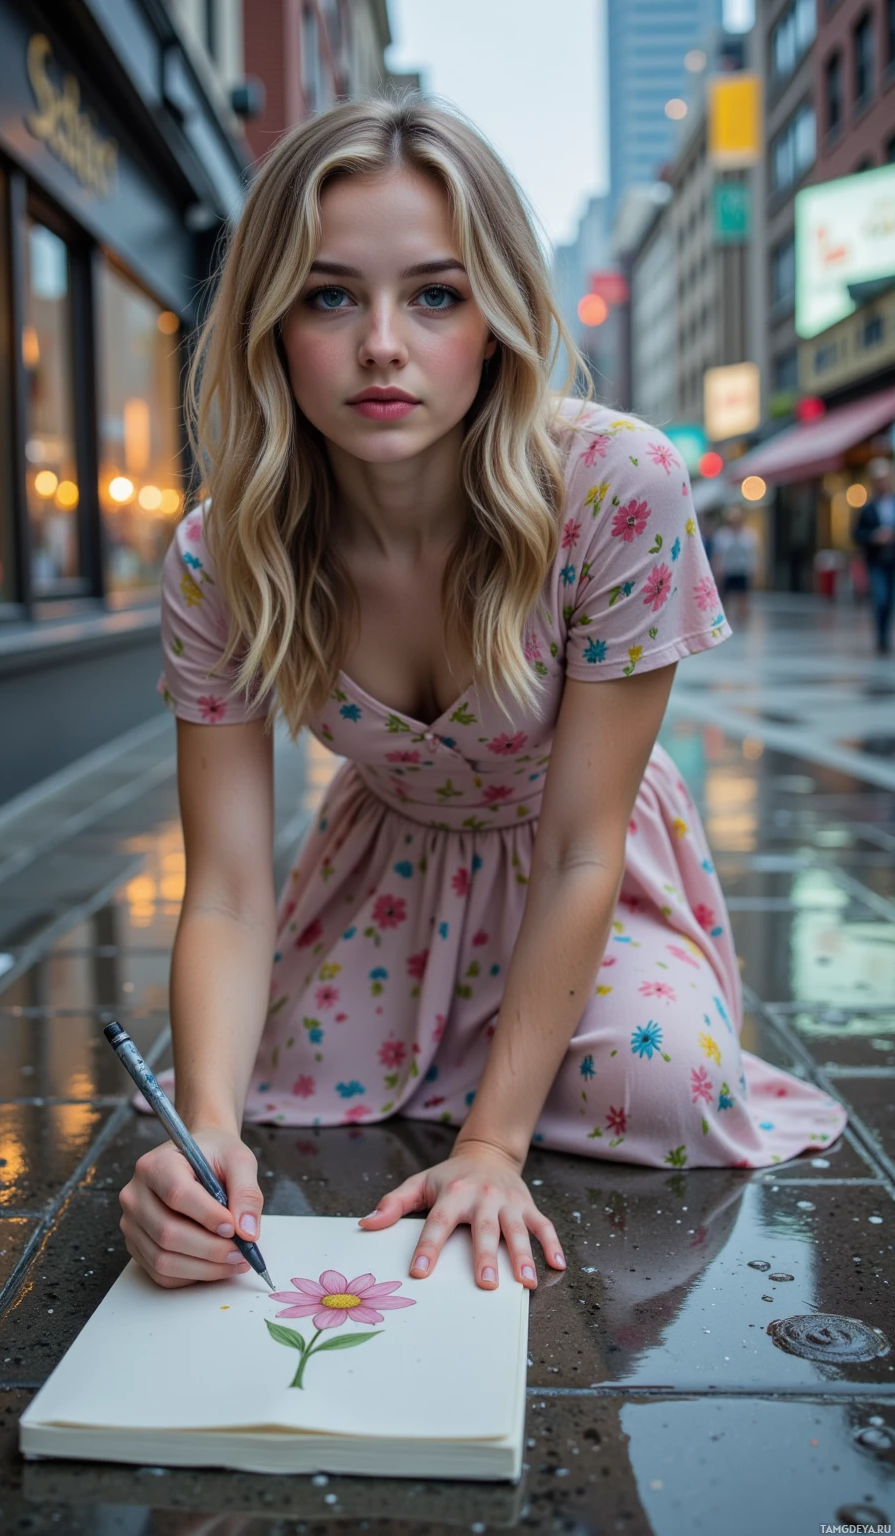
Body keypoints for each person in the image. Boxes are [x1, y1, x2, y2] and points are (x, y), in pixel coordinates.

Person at [118, 98, 845, 1298]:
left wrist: (494, 1148)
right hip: (383, 873)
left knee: (653, 1090)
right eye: (330, 294)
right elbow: (234, 890)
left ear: (498, 314)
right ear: (268, 321)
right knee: (270, 1090)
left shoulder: (616, 484)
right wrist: (202, 1144)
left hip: (580, 865)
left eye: (436, 295)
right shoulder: (223, 552)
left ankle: (519, 1080)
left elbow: (578, 847)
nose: (384, 345)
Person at [852, 457, 895, 655]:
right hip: (877, 560)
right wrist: (873, 536)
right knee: (881, 598)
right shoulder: (867, 508)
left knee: (890, 599)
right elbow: (857, 533)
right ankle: (881, 637)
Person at [711, 506, 758, 624]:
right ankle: (724, 618)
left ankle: (742, 618)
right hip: (727, 570)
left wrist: (753, 571)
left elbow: (752, 555)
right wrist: (717, 570)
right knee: (725, 596)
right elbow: (718, 555)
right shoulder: (722, 535)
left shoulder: (749, 535)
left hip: (742, 570)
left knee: (743, 596)